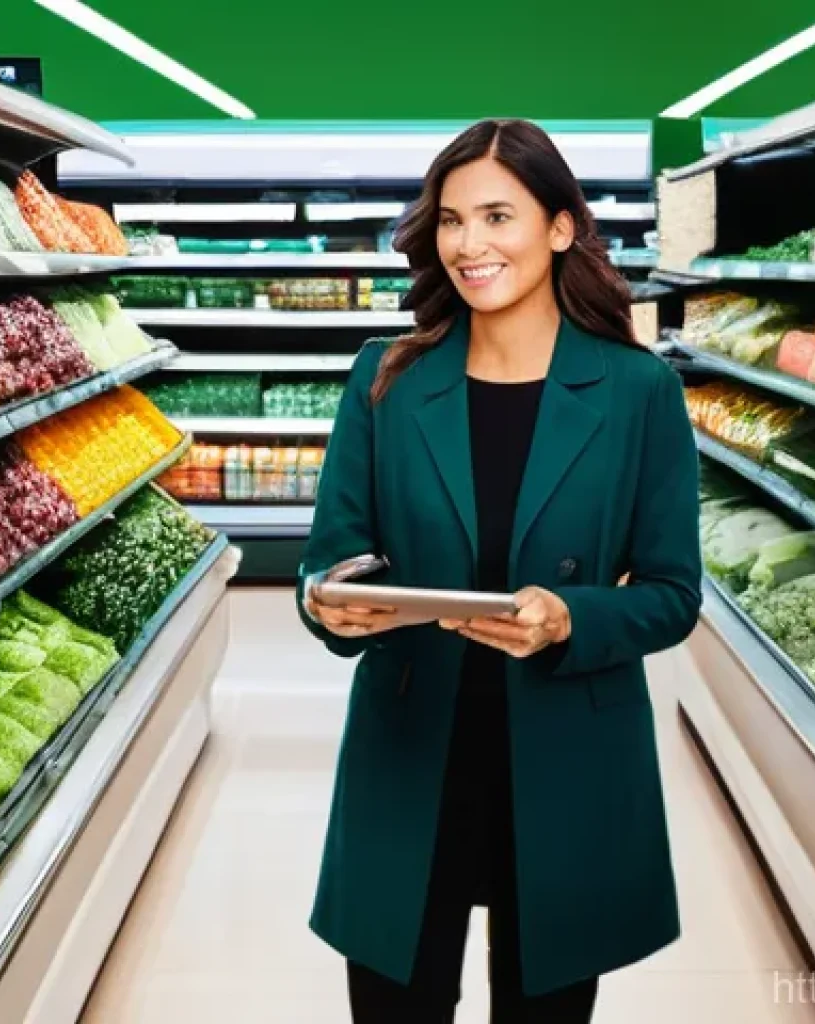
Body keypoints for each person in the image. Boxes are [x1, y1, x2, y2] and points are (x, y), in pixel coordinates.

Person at [297, 118, 701, 1022]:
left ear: (561, 226)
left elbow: (674, 597)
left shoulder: (639, 393)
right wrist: (331, 606)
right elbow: (329, 558)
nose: (469, 245)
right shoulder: (385, 381)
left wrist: (569, 619)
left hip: (566, 761)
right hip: (413, 758)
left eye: (496, 216)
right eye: (450, 221)